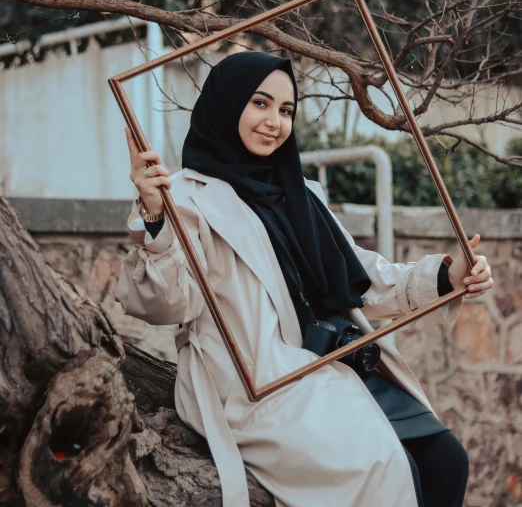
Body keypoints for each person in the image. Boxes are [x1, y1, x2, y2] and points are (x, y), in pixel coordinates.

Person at [116, 51, 494, 507]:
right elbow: (167, 305)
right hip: (257, 383)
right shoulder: (186, 198)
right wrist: (155, 216)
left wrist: (446, 277)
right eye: (259, 103)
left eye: (286, 110)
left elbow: (359, 276)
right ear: (227, 103)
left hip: (334, 362)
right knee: (388, 472)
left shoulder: (302, 191)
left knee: (446, 459)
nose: (274, 121)